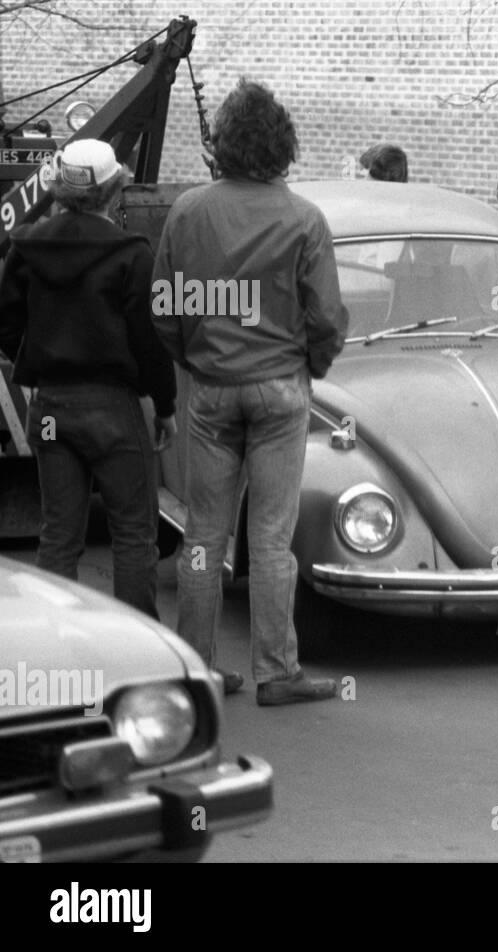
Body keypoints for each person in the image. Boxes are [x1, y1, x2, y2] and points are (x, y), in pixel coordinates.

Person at [151, 79, 349, 705]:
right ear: (283, 147)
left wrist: (195, 358)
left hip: (211, 391)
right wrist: (311, 365)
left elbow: (165, 307)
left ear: (223, 145)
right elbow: (325, 317)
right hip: (280, 389)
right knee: (270, 536)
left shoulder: (188, 211)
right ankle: (276, 670)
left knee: (203, 537)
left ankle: (198, 669)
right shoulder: (304, 220)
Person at [0, 139, 176, 619]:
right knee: (134, 536)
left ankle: (56, 652)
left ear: (59, 185)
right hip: (112, 410)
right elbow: (149, 340)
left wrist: (33, 358)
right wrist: (164, 406)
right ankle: (137, 654)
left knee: (58, 534)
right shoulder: (131, 254)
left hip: (52, 410)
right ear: (114, 189)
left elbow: (6, 321)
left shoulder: (26, 245)